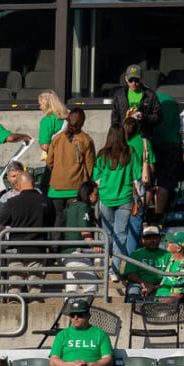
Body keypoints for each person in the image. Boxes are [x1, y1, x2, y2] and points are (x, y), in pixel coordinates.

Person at [94, 123, 138, 261]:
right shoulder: (130, 152)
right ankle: (115, 270)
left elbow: (96, 178)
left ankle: (105, 263)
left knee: (107, 233)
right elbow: (136, 177)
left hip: (106, 197)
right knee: (121, 234)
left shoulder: (102, 154)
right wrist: (139, 198)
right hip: (125, 198)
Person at [48, 298, 114, 366]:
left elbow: (108, 359)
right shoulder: (62, 334)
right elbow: (53, 360)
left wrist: (90, 365)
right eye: (72, 315)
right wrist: (71, 365)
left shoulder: (100, 334)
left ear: (88, 316)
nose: (75, 318)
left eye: (79, 315)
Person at [45, 109, 95, 205]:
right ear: (82, 122)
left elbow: (49, 162)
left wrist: (57, 172)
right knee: (74, 218)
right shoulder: (86, 140)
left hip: (56, 188)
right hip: (77, 188)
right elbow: (90, 166)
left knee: (58, 218)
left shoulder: (57, 138)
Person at [0, 162, 55, 241]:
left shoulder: (39, 195)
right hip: (12, 241)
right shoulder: (4, 199)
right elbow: (1, 222)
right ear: (8, 178)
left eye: (19, 175)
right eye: (13, 176)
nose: (17, 179)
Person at [35, 90, 69, 167]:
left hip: (56, 160)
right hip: (70, 157)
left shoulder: (47, 120)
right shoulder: (67, 118)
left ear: (47, 105)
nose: (40, 107)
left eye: (40, 105)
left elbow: (44, 146)